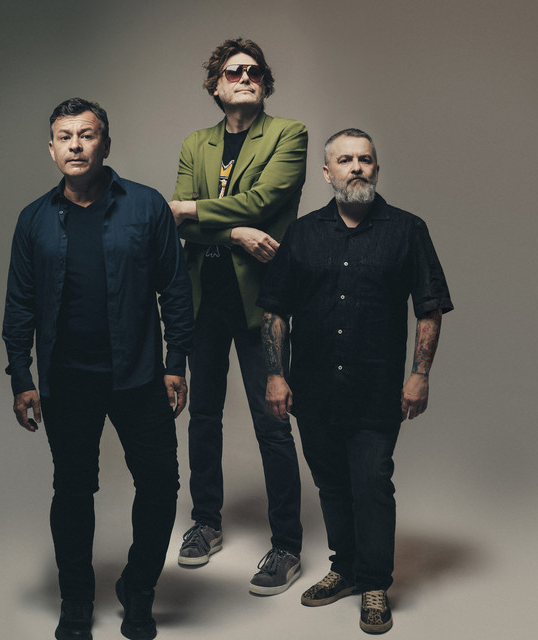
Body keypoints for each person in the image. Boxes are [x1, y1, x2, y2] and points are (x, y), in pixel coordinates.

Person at [2, 98, 193, 640]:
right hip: (66, 379)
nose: (76, 146)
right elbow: (19, 304)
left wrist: (175, 363)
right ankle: (77, 601)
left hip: (139, 375)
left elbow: (175, 290)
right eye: (65, 137)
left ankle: (139, 591)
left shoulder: (147, 206)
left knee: (160, 484)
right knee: (73, 489)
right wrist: (22, 377)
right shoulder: (34, 219)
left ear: (105, 144)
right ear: (51, 149)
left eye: (87, 135)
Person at [258, 129, 453, 633]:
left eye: (365, 159)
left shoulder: (407, 229)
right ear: (328, 173)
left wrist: (420, 375)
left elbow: (429, 308)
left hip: (377, 389)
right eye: (345, 160)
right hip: (313, 388)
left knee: (371, 484)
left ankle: (374, 584)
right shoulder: (303, 233)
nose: (357, 167)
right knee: (331, 484)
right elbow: (275, 310)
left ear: (376, 169)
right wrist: (275, 375)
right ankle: (344, 568)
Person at [169, 37, 306, 595]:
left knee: (272, 422)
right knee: (203, 417)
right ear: (216, 85)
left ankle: (287, 545)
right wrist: (235, 234)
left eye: (254, 71)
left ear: (264, 83)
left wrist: (194, 210)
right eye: (233, 71)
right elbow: (180, 227)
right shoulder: (195, 144)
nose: (245, 77)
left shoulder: (288, 134)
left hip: (262, 301)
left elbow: (263, 202)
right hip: (204, 299)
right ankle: (205, 523)